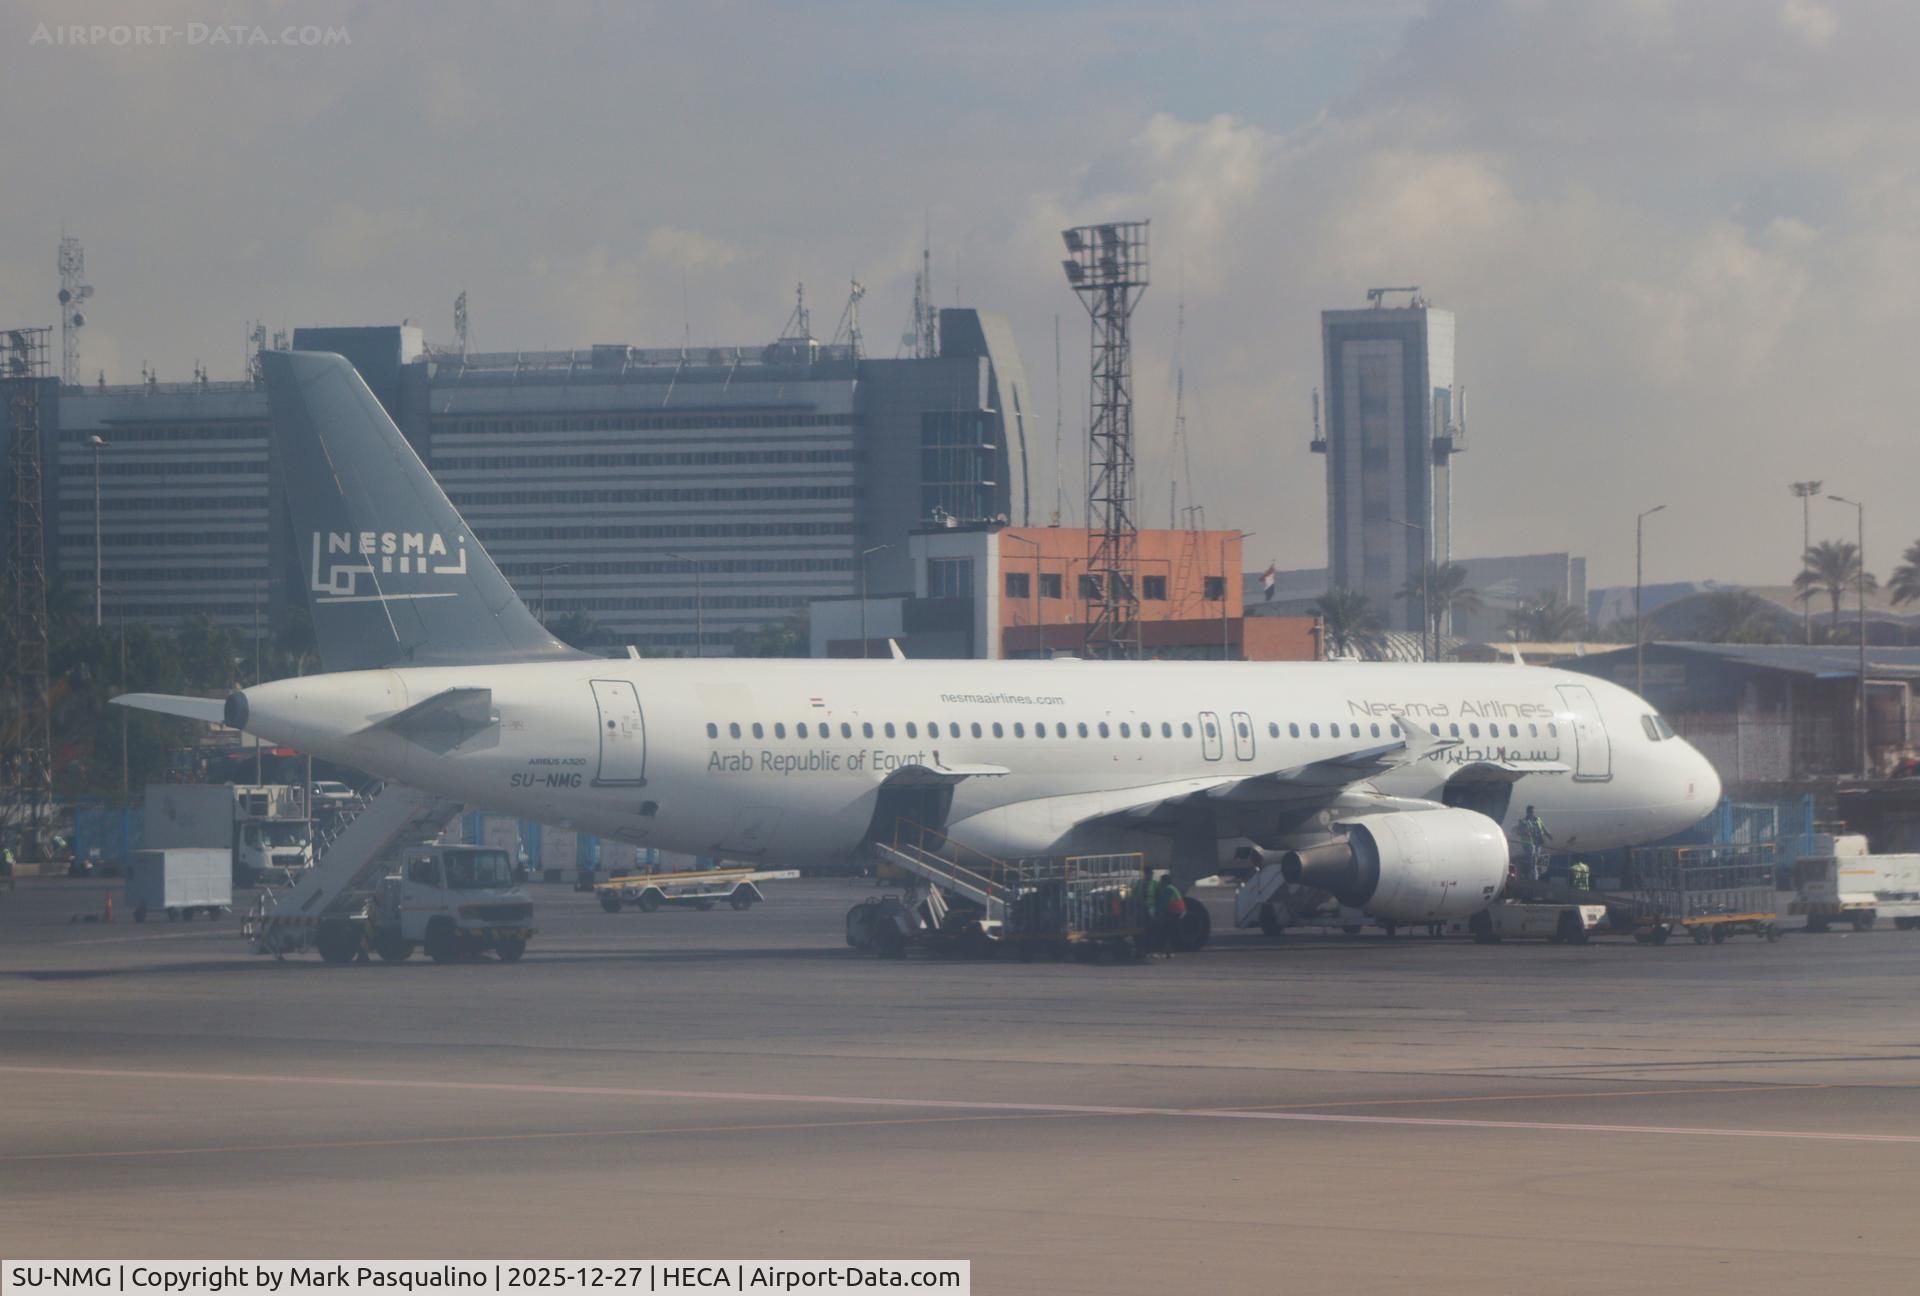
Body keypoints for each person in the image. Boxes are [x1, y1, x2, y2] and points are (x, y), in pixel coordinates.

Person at [1150, 873, 1186, 959]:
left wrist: (1156, 914)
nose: (1160, 883)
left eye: (1161, 881)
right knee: (1169, 933)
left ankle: (1161, 952)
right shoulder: (1171, 888)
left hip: (1173, 913)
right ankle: (1169, 952)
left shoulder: (1168, 890)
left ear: (1165, 882)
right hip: (1177, 912)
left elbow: (1163, 903)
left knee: (1163, 932)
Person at [1515, 805, 1552, 881]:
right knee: (1532, 860)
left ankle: (1533, 876)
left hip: (1538, 843)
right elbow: (1518, 832)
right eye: (1531, 811)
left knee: (1535, 860)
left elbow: (1543, 828)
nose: (1532, 813)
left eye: (1533, 811)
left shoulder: (1538, 819)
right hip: (1529, 844)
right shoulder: (1523, 821)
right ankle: (1533, 878)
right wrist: (1525, 832)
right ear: (1527, 812)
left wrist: (1548, 835)